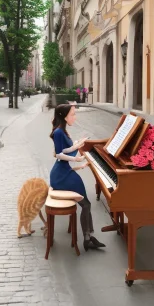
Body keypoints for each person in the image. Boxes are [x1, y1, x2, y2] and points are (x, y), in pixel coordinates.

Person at [50, 104, 105, 251]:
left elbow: (66, 149)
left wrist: (77, 144)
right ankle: (87, 239)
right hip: (60, 176)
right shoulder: (58, 133)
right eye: (73, 114)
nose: (75, 117)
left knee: (86, 203)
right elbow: (59, 154)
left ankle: (88, 237)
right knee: (86, 204)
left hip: (64, 171)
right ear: (64, 116)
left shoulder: (62, 131)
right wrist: (77, 160)